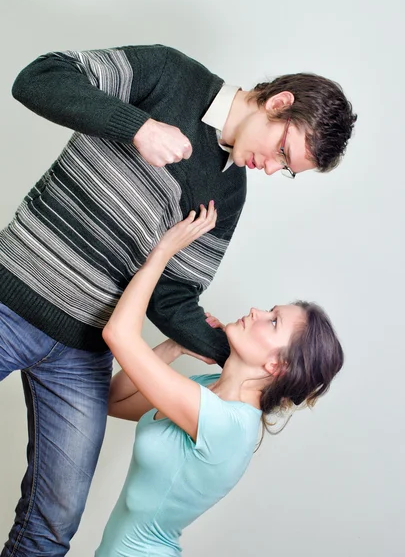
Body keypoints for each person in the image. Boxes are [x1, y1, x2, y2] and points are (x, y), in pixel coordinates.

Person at [0, 44, 356, 556]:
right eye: (282, 151)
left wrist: (239, 357)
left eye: (288, 169)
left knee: (52, 526)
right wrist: (137, 127)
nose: (273, 169)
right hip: (13, 297)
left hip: (83, 356)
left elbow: (170, 296)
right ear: (279, 103)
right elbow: (37, 77)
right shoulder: (170, 74)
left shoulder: (229, 193)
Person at [94, 202, 344, 556]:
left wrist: (164, 249)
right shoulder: (210, 386)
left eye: (273, 322)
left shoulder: (228, 424)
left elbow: (119, 333)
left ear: (278, 367)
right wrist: (174, 346)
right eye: (271, 309)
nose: (258, 311)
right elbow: (111, 401)